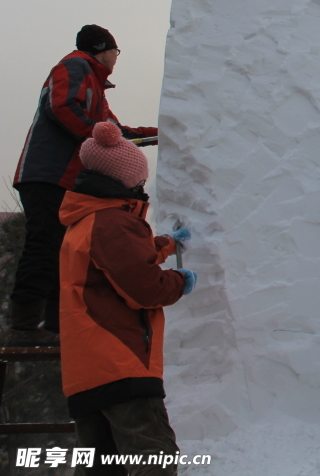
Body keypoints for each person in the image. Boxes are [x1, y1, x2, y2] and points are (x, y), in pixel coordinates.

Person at [59, 121, 195, 475]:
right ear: (122, 180)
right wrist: (179, 281)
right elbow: (145, 287)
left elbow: (120, 262)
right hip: (119, 362)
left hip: (87, 369)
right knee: (153, 458)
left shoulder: (87, 221)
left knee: (101, 467)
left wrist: (164, 245)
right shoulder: (112, 223)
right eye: (138, 179)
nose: (141, 186)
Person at [9, 25, 157, 345]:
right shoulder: (75, 66)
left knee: (64, 251)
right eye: (115, 53)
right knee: (45, 244)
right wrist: (97, 135)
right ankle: (23, 325)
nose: (116, 59)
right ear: (103, 50)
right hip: (47, 173)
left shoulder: (97, 90)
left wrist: (159, 134)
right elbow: (61, 108)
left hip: (65, 181)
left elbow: (115, 132)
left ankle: (54, 325)